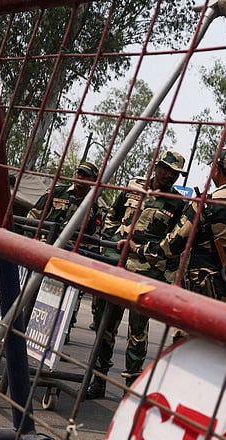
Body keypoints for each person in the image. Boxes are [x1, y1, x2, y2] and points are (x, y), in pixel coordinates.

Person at [85, 149, 187, 399]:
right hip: (116, 267)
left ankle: (129, 390)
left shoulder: (178, 204)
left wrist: (145, 253)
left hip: (146, 274)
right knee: (104, 324)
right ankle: (98, 381)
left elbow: (173, 245)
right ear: (157, 167)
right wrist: (113, 240)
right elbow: (112, 215)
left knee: (137, 333)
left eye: (175, 172)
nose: (169, 175)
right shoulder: (134, 187)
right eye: (166, 169)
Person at [131, 145, 226, 307]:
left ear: (216, 170)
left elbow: (171, 247)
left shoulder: (204, 205)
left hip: (199, 299)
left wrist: (138, 249)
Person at [26, 161, 102, 339]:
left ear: (94, 180)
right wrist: (33, 240)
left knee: (68, 297)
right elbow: (34, 216)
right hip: (45, 248)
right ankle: (28, 324)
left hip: (72, 255)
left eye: (86, 175)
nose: (80, 177)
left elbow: (93, 239)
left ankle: (60, 333)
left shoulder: (96, 206)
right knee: (34, 289)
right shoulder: (56, 191)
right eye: (79, 173)